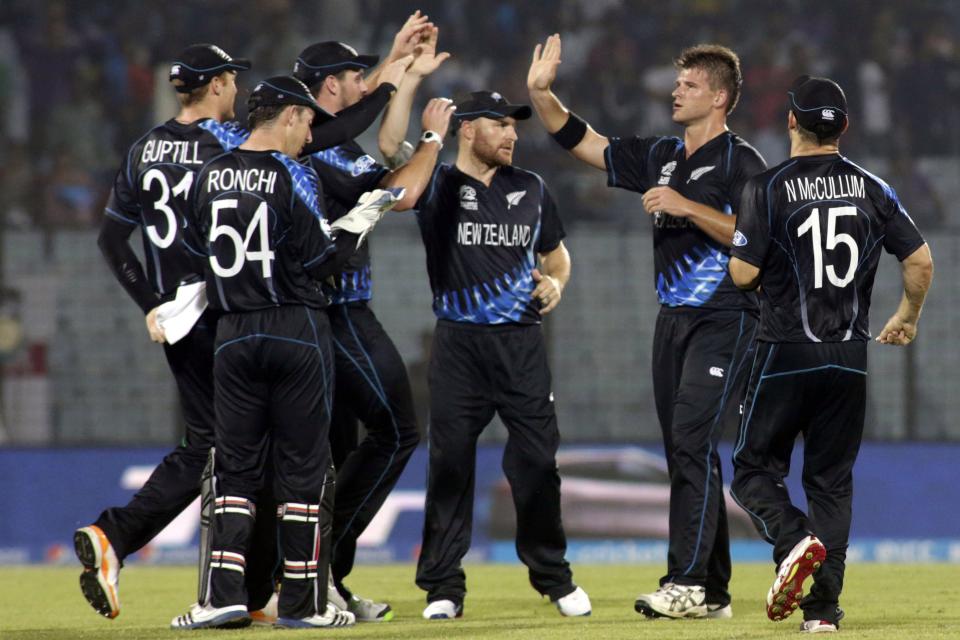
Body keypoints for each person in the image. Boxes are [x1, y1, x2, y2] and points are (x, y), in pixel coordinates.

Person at [527, 35, 767, 618]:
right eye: (677, 82)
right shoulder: (663, 153)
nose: (675, 91)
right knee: (689, 450)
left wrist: (687, 207)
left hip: (726, 318)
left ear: (719, 98)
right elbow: (587, 144)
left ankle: (683, 582)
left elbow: (756, 240)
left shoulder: (745, 162)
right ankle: (713, 593)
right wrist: (541, 94)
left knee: (690, 443)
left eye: (688, 85)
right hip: (673, 321)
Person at [173, 75, 398, 630]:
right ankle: (304, 605)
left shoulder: (205, 177)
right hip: (295, 328)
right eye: (307, 123)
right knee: (304, 471)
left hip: (233, 334)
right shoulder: (284, 176)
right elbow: (322, 259)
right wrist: (361, 220)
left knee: (233, 472)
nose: (309, 136)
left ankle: (220, 599)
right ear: (291, 116)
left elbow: (191, 248)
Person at [728, 75, 933, 633]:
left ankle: (794, 541)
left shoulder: (766, 187)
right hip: (848, 358)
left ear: (790, 121)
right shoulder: (874, 188)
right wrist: (906, 316)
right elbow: (919, 263)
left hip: (785, 352)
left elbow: (744, 274)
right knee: (831, 484)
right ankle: (822, 614)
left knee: (751, 470)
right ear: (844, 127)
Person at [76, 43, 256, 620]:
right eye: (233, 80)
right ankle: (236, 590)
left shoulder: (143, 149)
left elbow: (111, 240)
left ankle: (120, 541)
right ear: (220, 84)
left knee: (210, 444)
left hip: (175, 318)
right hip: (225, 309)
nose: (238, 90)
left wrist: (150, 304)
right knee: (243, 445)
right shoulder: (228, 145)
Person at [293, 26, 453, 622]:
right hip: (337, 312)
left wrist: (401, 68)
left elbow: (382, 138)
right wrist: (433, 141)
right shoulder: (313, 148)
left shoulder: (332, 144)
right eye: (357, 77)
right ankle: (321, 565)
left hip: (334, 311)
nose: (366, 85)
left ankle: (324, 580)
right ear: (330, 86)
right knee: (396, 431)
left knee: (338, 453)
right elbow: (402, 194)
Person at [413, 90, 590, 620]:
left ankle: (552, 576)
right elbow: (391, 163)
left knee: (537, 460)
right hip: (459, 344)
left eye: (514, 125)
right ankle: (443, 585)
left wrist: (556, 285)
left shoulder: (532, 187)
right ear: (467, 129)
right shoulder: (436, 184)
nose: (513, 133)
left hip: (520, 343)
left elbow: (557, 256)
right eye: (500, 124)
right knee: (449, 464)